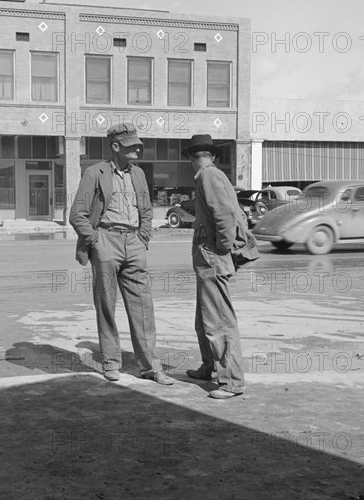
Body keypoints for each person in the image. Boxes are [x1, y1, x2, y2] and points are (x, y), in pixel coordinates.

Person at [69, 123, 173, 385]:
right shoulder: (94, 173)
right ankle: (111, 362)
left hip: (134, 242)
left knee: (143, 307)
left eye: (138, 145)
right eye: (131, 146)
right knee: (106, 305)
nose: (137, 149)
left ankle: (151, 365)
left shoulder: (138, 174)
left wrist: (143, 236)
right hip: (106, 241)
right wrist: (95, 240)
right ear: (116, 147)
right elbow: (76, 214)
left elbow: (147, 210)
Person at [182, 134, 248, 399]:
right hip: (208, 256)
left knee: (218, 321)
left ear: (190, 158)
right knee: (204, 319)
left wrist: (219, 249)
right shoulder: (212, 175)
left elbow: (224, 216)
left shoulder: (208, 176)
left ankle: (231, 381)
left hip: (211, 255)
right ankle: (209, 367)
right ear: (212, 155)